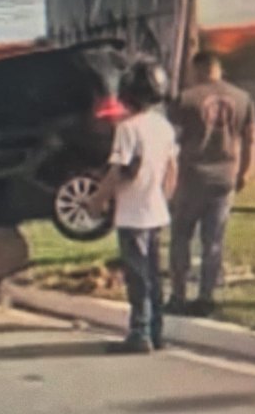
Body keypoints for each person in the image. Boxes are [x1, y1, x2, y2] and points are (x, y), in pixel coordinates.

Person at [87, 57, 178, 353]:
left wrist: (97, 200)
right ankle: (156, 331)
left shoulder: (128, 129)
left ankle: (139, 333)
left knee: (137, 277)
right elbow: (172, 169)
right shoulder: (164, 127)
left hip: (133, 214)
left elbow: (118, 171)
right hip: (156, 212)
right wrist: (164, 198)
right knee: (153, 275)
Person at [167, 52, 255, 317]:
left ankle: (178, 295)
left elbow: (170, 141)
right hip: (224, 177)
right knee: (213, 240)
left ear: (199, 69)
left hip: (192, 177)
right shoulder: (243, 98)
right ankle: (206, 297)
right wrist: (244, 173)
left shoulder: (185, 99)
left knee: (181, 237)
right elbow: (250, 139)